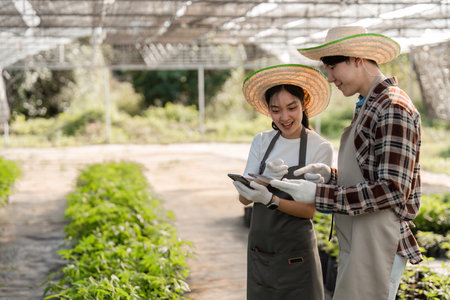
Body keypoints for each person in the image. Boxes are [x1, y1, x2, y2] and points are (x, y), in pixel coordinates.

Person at [270, 26, 423, 300]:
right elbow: (370, 173)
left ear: (357, 58)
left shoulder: (392, 107)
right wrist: (331, 177)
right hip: (360, 236)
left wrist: (320, 195)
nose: (329, 78)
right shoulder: (369, 104)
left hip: (379, 240)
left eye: (332, 67)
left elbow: (392, 189)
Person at [232, 64, 334, 299]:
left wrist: (270, 199)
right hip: (261, 247)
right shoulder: (262, 141)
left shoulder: (320, 147)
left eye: (292, 107)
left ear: (304, 104)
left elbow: (309, 210)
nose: (284, 117)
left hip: (296, 251)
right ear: (268, 110)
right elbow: (244, 198)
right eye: (276, 110)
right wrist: (265, 178)